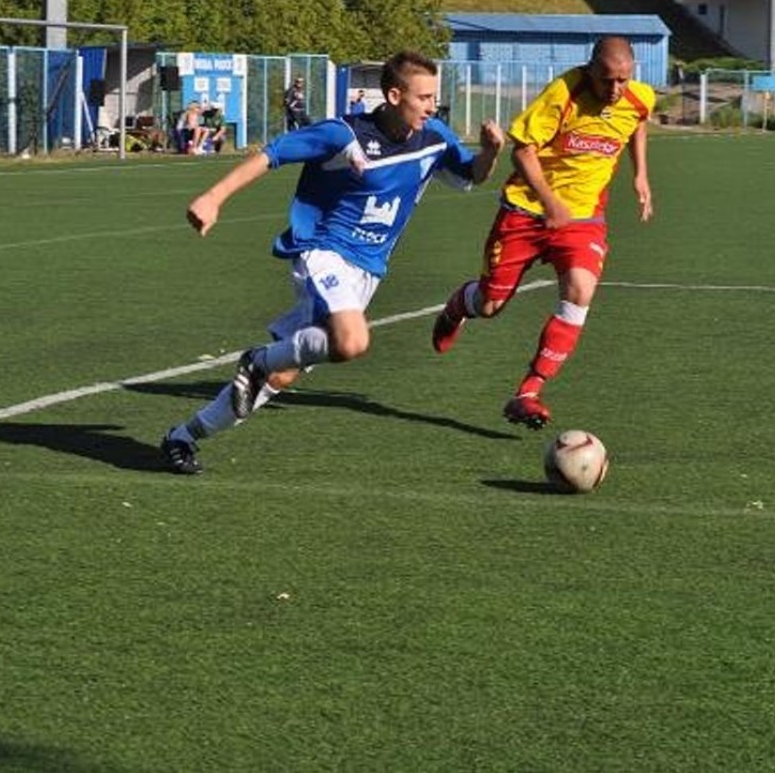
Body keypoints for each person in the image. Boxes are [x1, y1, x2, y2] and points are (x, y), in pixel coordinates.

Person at [159, 51, 506, 474]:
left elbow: (472, 175)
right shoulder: (344, 134)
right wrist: (213, 197)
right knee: (352, 341)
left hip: (369, 270)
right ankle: (257, 359)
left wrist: (489, 152)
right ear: (395, 95)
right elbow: (273, 153)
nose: (434, 106)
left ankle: (184, 435)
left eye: (435, 96)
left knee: (281, 377)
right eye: (425, 97)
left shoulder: (433, 136)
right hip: (325, 252)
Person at [430, 36, 654, 430]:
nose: (615, 90)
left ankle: (528, 392)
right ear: (590, 69)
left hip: (582, 217)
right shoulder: (564, 93)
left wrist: (640, 175)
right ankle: (457, 306)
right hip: (526, 210)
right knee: (489, 305)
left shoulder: (638, 98)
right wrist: (551, 203)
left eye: (623, 80)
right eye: (606, 80)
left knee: (580, 290)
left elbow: (637, 124)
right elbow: (522, 150)